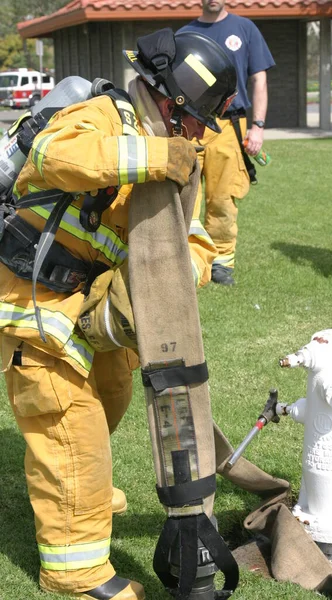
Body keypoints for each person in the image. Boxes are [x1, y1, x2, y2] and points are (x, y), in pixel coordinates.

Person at [0, 29, 238, 600]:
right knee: (70, 428)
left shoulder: (172, 152)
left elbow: (193, 237)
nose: (198, 135)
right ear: (171, 99)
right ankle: (76, 572)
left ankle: (83, 489)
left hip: (91, 323)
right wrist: (156, 157)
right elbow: (56, 156)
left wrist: (187, 269)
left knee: (112, 399)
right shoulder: (103, 116)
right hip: (37, 315)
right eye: (198, 120)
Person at [177, 0, 275, 286]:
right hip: (190, 124)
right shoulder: (185, 34)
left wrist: (257, 126)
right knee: (186, 196)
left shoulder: (245, 29)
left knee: (222, 199)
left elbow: (259, 79)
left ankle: (221, 262)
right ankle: (186, 259)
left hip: (229, 125)